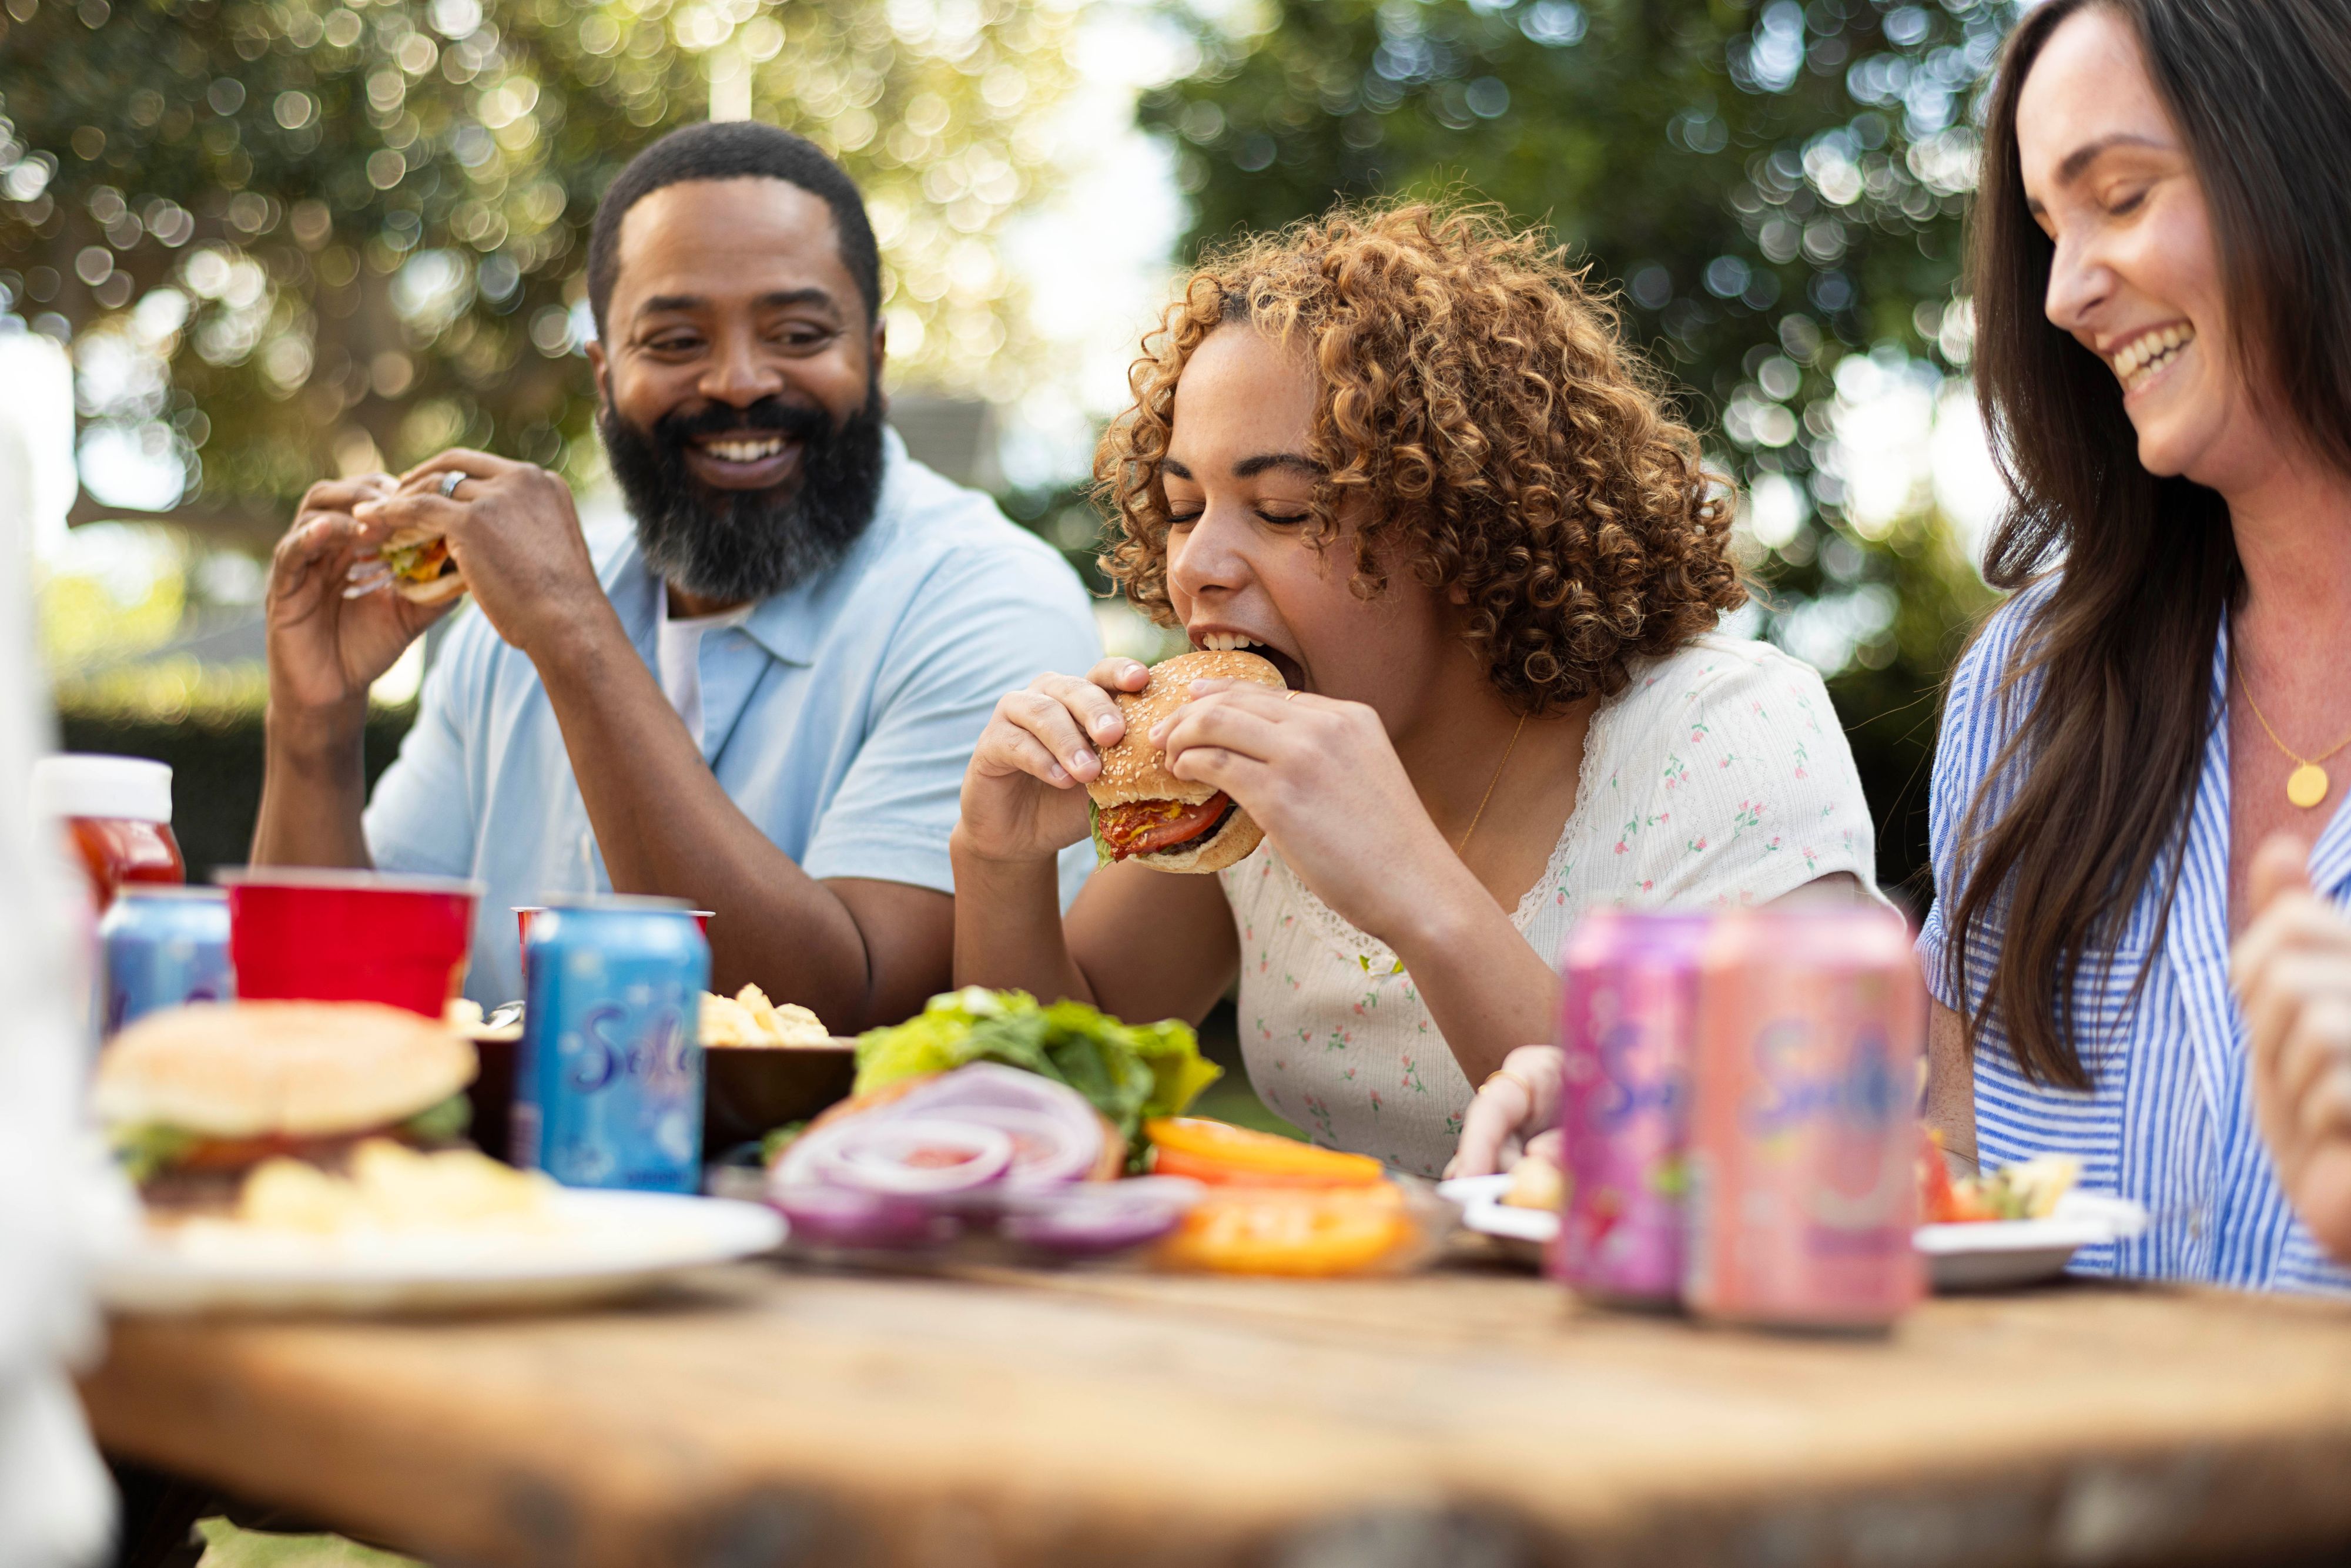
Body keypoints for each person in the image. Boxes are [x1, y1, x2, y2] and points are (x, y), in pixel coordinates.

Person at [951, 203, 1883, 1178]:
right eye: (1185, 510)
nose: (1198, 568)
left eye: (1283, 510)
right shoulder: (1240, 780)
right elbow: (1059, 1105)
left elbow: (1800, 1171)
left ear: (1463, 526)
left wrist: (1417, 894)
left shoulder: (1722, 730)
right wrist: (996, 860)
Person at [251, 121, 1100, 1028]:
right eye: (675, 341)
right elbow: (329, 1006)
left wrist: (572, 633)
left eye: (800, 332)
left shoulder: (989, 599)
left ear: (877, 359)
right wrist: (315, 722)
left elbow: (842, 1016)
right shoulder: (518, 617)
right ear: (605, 377)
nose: (738, 380)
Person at [1917, 0, 2351, 1289]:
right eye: (2048, 231)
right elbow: (1940, 1175)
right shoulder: (2026, 691)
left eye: (2119, 195)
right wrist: (1639, 1137)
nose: (2061, 295)